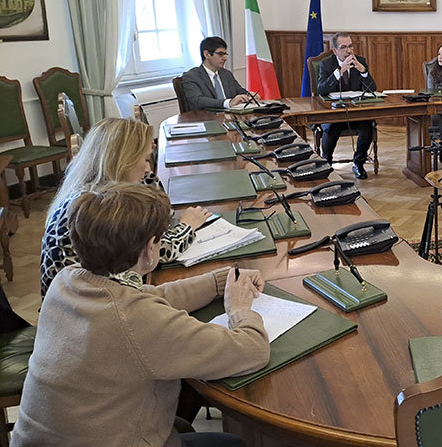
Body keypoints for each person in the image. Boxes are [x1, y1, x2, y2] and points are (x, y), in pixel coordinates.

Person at [14, 184, 269, 447]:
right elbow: (253, 351)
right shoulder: (136, 319)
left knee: (181, 415)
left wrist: (218, 282)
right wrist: (239, 310)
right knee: (230, 443)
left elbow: (150, 295)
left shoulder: (67, 280)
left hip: (43, 438)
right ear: (150, 248)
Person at [41, 117, 211, 297]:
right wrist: (187, 227)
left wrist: (146, 181)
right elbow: (155, 250)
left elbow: (161, 222)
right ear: (123, 162)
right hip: (83, 310)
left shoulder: (93, 189)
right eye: (145, 159)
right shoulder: (100, 208)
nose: (147, 169)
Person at [316, 32, 377, 179]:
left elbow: (372, 88)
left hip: (355, 112)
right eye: (343, 47)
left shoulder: (359, 61)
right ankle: (327, 164)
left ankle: (359, 163)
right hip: (334, 113)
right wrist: (339, 71)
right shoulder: (326, 64)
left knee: (367, 127)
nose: (348, 51)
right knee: (331, 128)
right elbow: (321, 90)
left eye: (350, 46)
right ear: (335, 50)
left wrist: (363, 71)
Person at [181, 36, 252, 111]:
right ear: (207, 54)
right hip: (208, 119)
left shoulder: (226, 74)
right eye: (220, 54)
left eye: (225, 54)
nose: (225, 58)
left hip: (231, 118)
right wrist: (228, 103)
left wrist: (249, 96)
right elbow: (198, 101)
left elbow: (239, 91)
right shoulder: (191, 76)